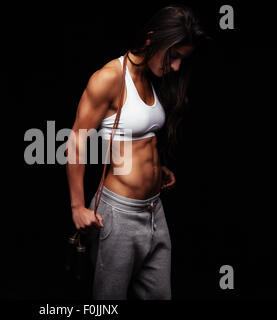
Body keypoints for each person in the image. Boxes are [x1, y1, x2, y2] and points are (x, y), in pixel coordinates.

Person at [66, 4, 208, 300]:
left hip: (155, 211)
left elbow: (137, 137)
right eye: (174, 55)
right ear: (151, 38)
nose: (177, 66)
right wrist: (78, 207)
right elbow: (76, 142)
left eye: (182, 59)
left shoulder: (152, 79)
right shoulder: (110, 78)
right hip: (118, 215)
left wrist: (156, 168)